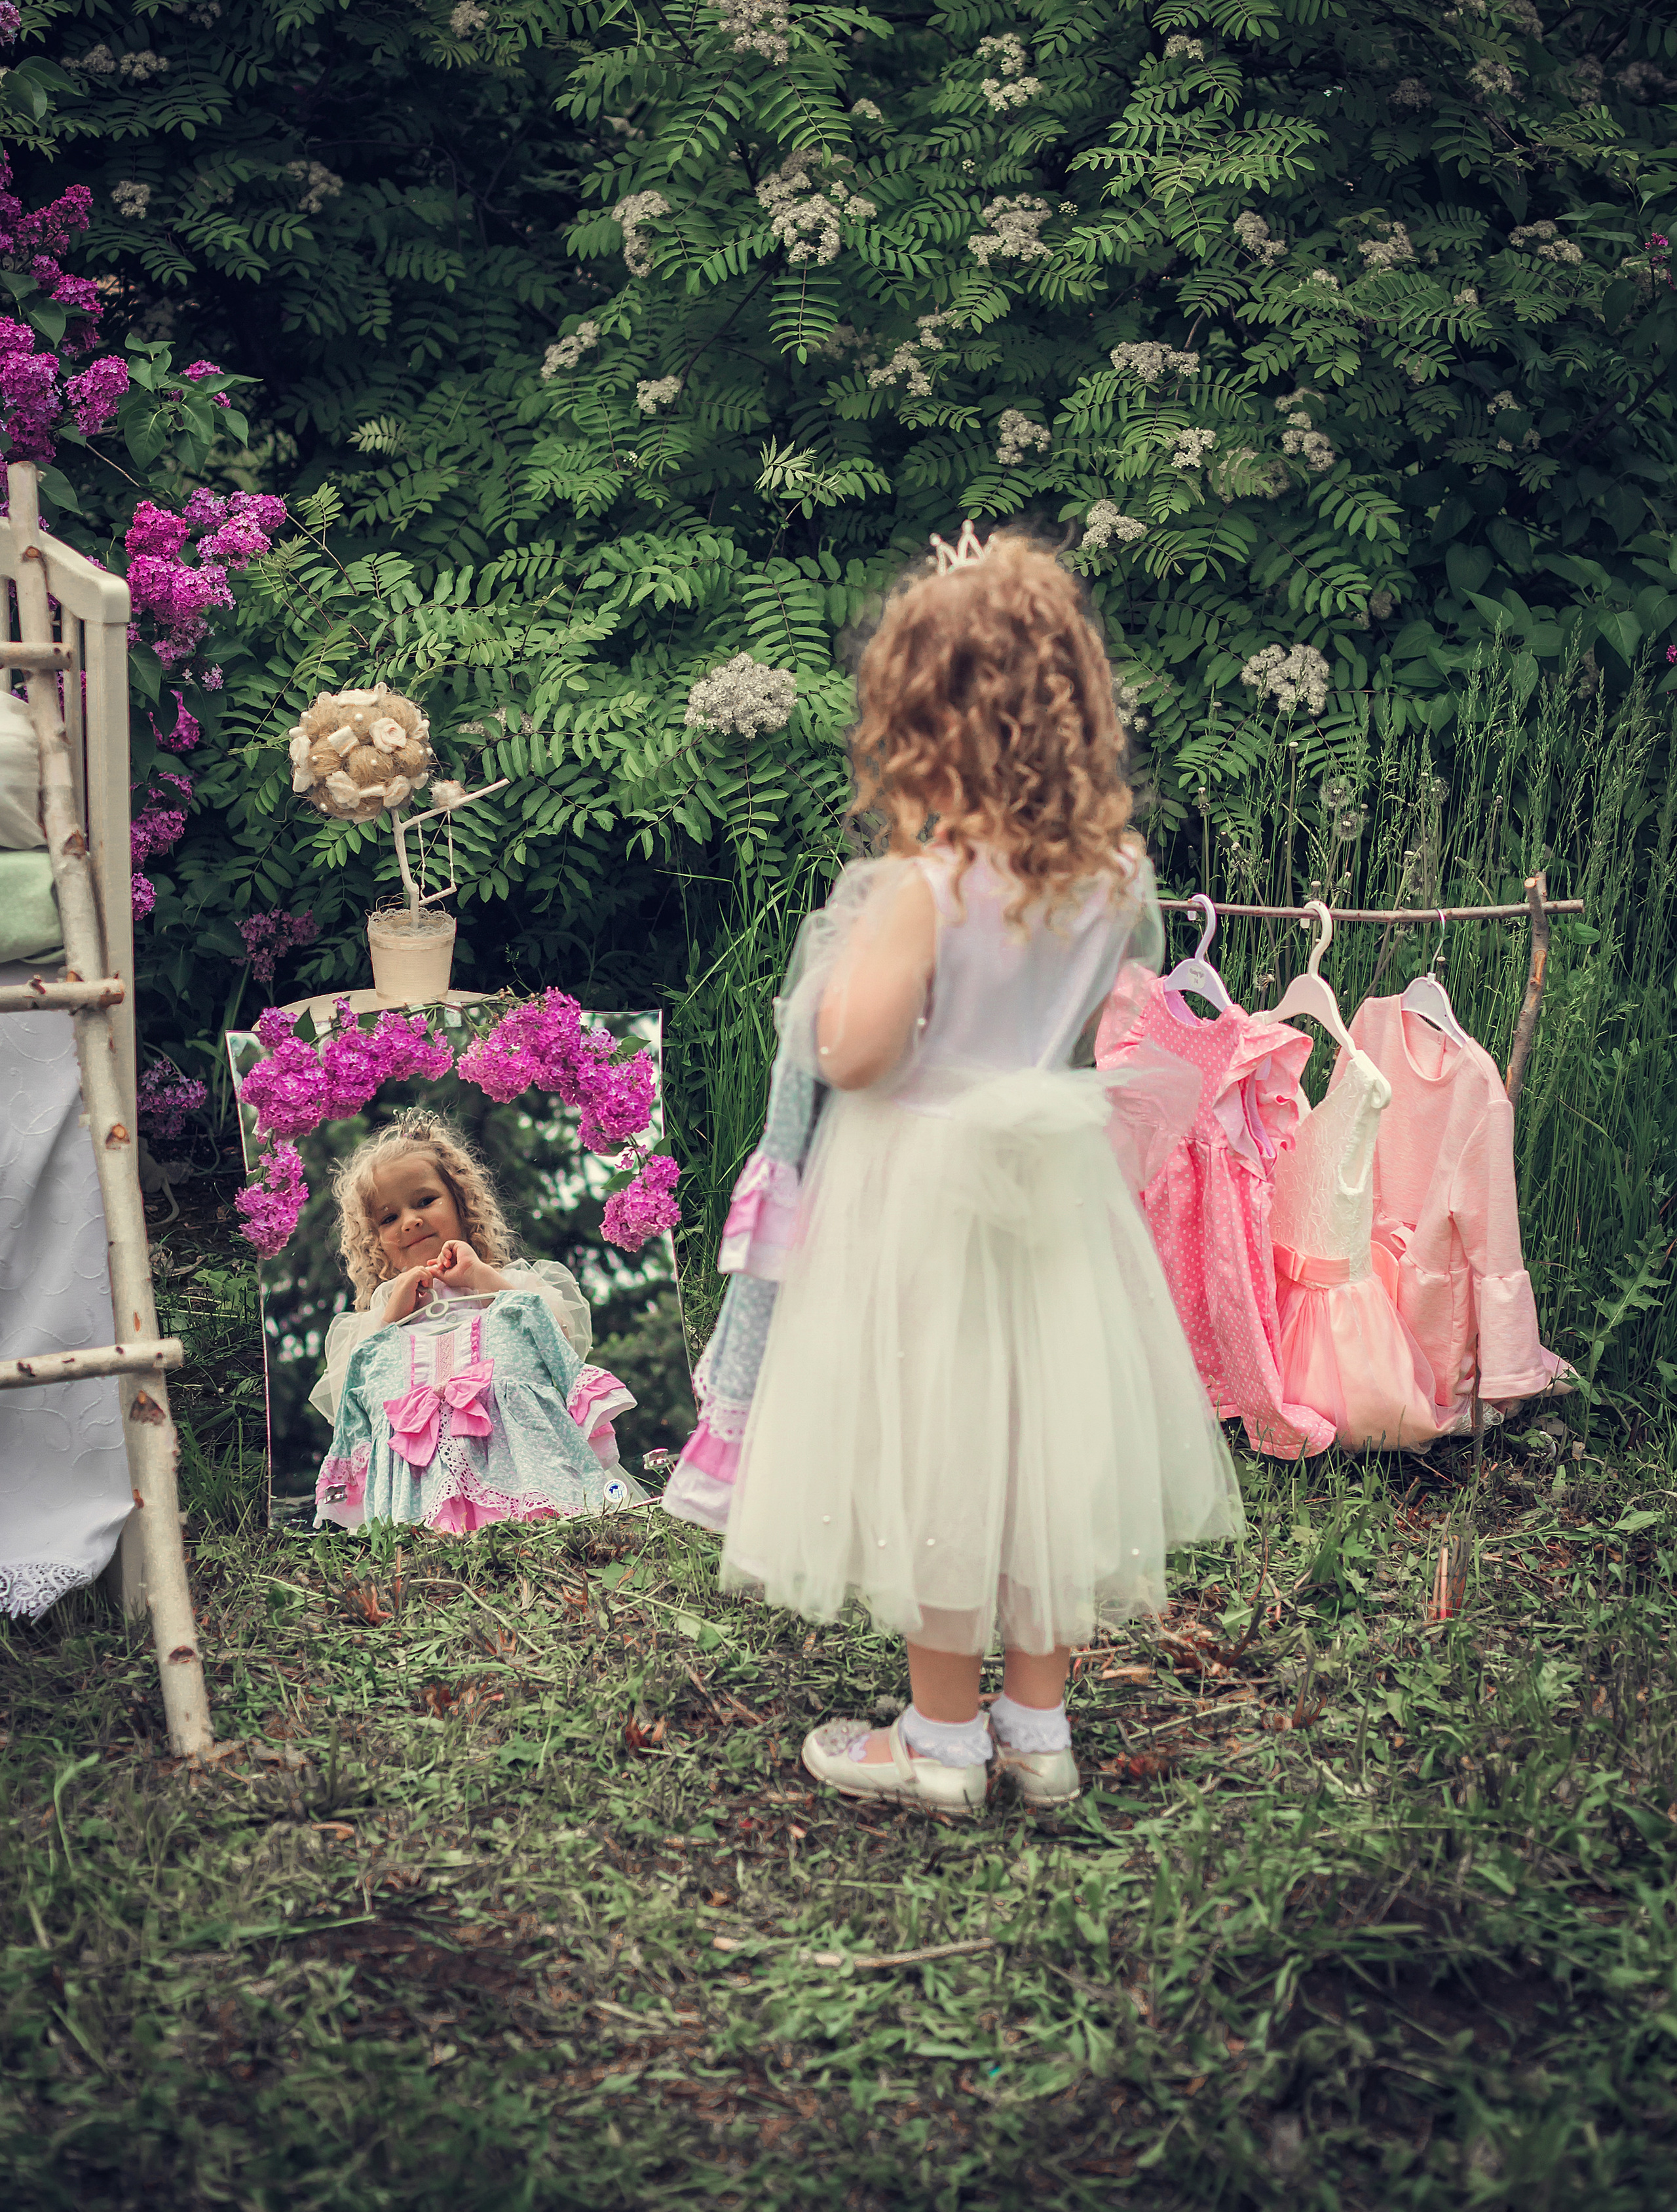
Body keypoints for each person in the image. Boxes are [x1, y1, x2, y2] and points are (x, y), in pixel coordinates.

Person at [720, 524, 1245, 1814]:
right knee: (1039, 1438)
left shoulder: (923, 885)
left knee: (940, 1438)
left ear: (922, 721)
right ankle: (1040, 1725)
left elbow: (853, 1054)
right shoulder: (1111, 875)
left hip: (922, 1187)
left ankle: (944, 1741)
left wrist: (839, 978)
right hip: (1048, 1181)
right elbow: (1076, 1020)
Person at [312, 1111, 640, 1532]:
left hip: (530, 1472)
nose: (409, 1221)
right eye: (388, 1218)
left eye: (425, 1201)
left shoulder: (512, 1284)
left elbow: (559, 1338)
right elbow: (355, 1402)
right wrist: (392, 1318)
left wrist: (480, 1278)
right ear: (374, 1240)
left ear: (461, 1203)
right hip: (423, 1491)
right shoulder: (377, 1319)